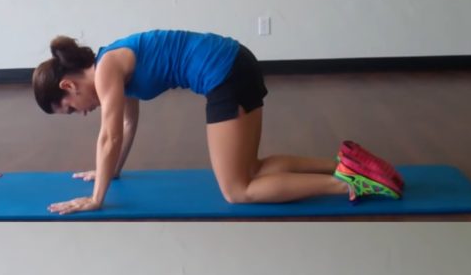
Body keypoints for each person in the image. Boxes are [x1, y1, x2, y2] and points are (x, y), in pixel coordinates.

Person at [31, 30, 404, 215]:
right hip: (236, 61)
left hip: (224, 73)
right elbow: (127, 128)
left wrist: (96, 201)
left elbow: (108, 136)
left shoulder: (107, 69)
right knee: (252, 170)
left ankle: (349, 185)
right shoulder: (112, 64)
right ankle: (346, 164)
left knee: (236, 190)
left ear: (68, 85)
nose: (82, 113)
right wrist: (110, 175)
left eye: (71, 108)